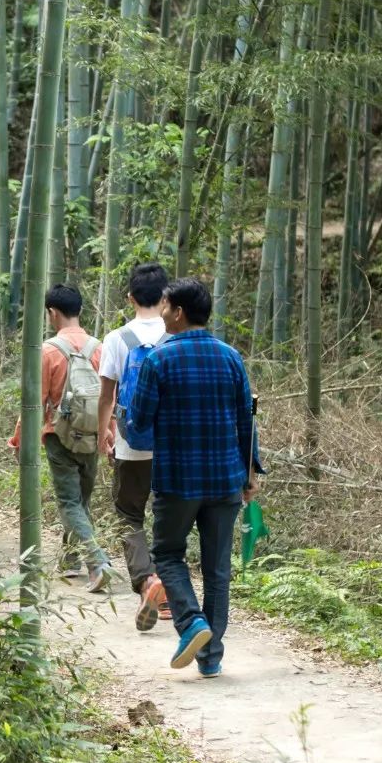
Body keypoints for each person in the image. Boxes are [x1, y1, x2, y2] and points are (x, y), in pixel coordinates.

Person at [124, 278, 258, 678]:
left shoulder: (158, 360)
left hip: (178, 479)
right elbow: (245, 423)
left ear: (179, 312)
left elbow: (140, 422)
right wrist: (251, 473)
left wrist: (126, 419)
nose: (162, 313)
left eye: (165, 307)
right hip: (226, 480)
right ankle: (211, 656)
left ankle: (191, 623)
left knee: (167, 554)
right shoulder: (231, 357)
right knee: (217, 568)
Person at [9, 283, 112, 592]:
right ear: (79, 310)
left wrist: (18, 439)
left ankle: (98, 561)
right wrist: (109, 432)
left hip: (59, 436)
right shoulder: (100, 348)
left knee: (69, 501)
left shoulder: (48, 350)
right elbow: (110, 397)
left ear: (52, 313)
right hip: (93, 433)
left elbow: (35, 403)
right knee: (81, 499)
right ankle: (70, 561)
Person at [95, 262, 171, 630]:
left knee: (128, 514)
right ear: (166, 297)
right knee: (169, 514)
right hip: (174, 445)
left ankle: (147, 580)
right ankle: (171, 587)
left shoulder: (117, 339)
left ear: (130, 297)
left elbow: (107, 394)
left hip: (131, 444)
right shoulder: (177, 337)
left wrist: (103, 433)